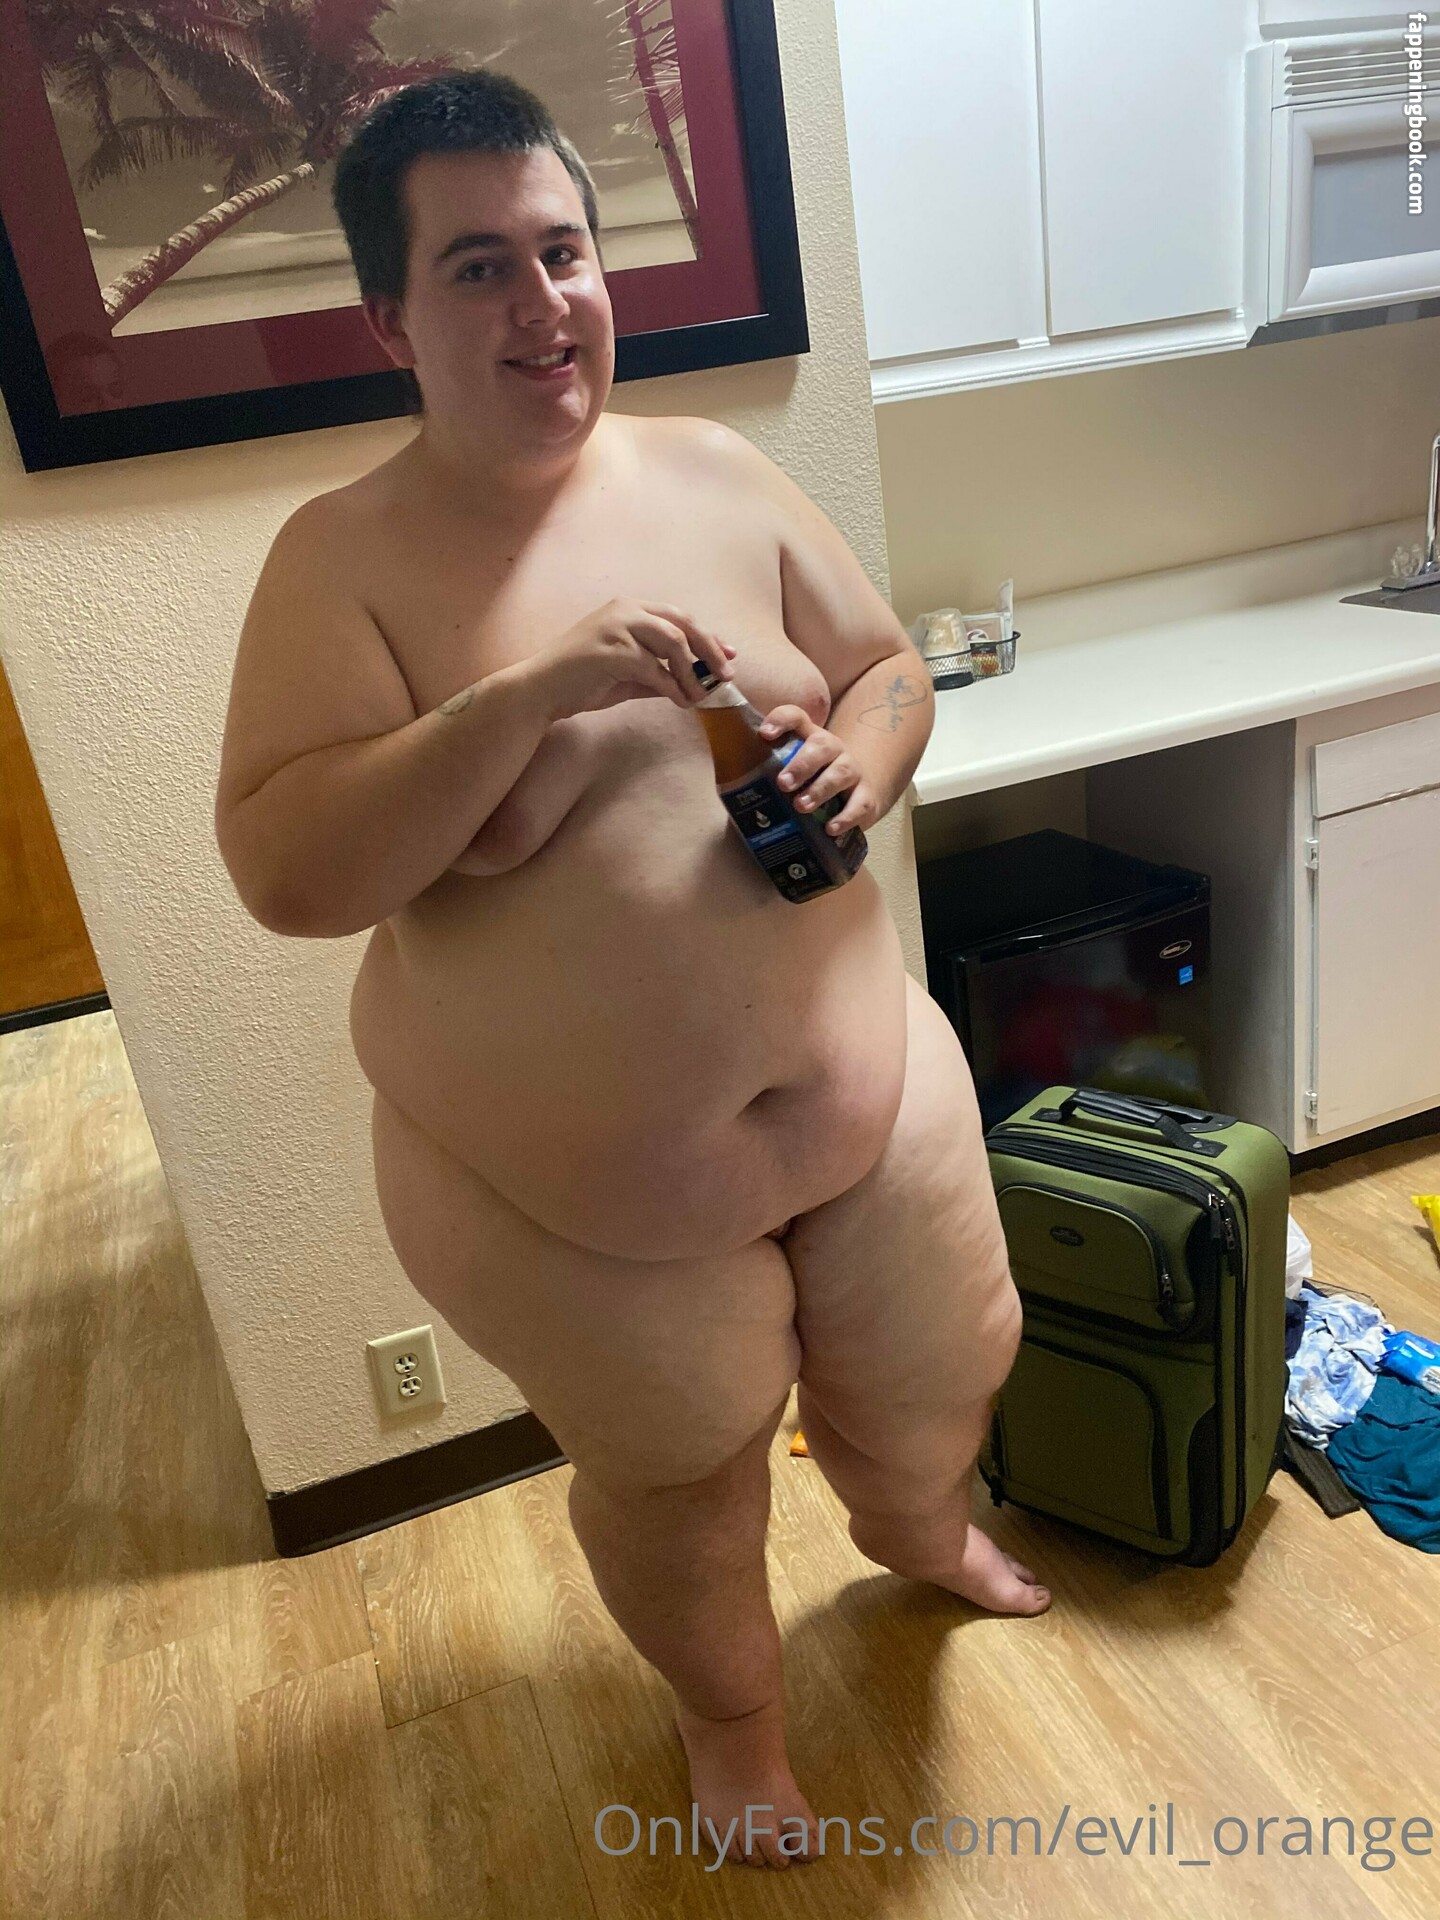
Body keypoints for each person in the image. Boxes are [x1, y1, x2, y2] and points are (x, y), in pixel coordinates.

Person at [214, 70, 1048, 1871]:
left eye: (563, 251)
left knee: (953, 1360)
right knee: (687, 1480)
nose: (543, 304)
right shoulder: (341, 562)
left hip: (867, 1080)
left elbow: (891, 668)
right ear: (388, 318)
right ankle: (731, 1728)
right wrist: (529, 696)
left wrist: (868, 759)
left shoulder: (718, 471)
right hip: (580, 1201)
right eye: (477, 268)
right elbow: (286, 871)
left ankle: (914, 1530)